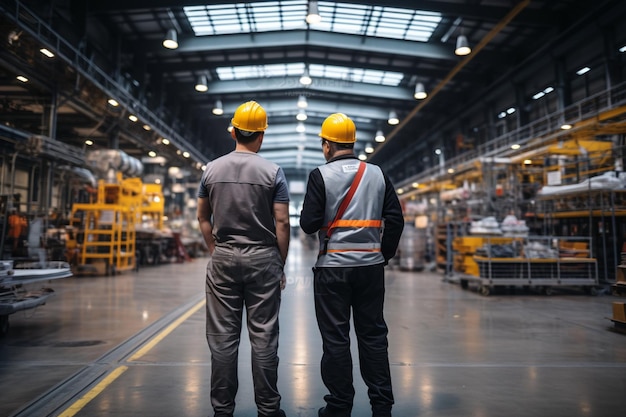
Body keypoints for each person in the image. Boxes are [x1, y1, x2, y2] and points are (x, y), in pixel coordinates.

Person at [300, 113, 404, 417]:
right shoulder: (377, 173)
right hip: (370, 267)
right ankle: (382, 406)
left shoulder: (320, 175)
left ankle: (339, 406)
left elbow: (307, 224)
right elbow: (396, 219)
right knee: (373, 336)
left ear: (327, 145)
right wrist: (383, 253)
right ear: (352, 142)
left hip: (332, 269)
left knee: (336, 339)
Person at [197, 100, 290, 417]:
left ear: (233, 131)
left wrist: (215, 250)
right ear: (261, 136)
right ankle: (268, 409)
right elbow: (283, 222)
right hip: (263, 257)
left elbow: (202, 218)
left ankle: (223, 411)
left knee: (223, 339)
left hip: (223, 255)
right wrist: (280, 262)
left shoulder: (210, 170)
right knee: (264, 337)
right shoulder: (273, 172)